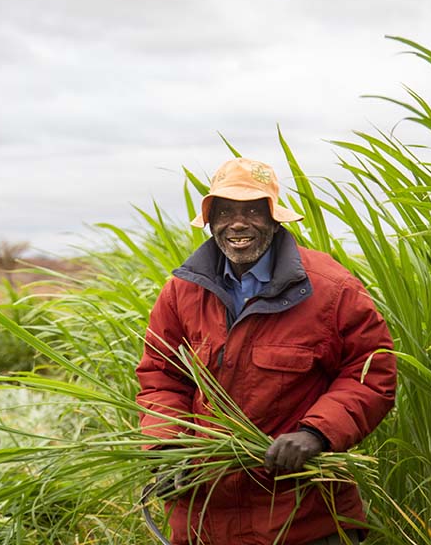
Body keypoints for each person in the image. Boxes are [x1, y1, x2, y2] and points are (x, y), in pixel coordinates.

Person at [135, 158, 396, 544]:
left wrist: (316, 434)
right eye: (225, 211)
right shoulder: (180, 292)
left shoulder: (332, 289)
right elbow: (161, 377)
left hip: (305, 517)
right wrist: (168, 445)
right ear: (210, 221)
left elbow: (370, 373)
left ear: (275, 218)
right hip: (206, 516)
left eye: (252, 211)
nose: (238, 223)